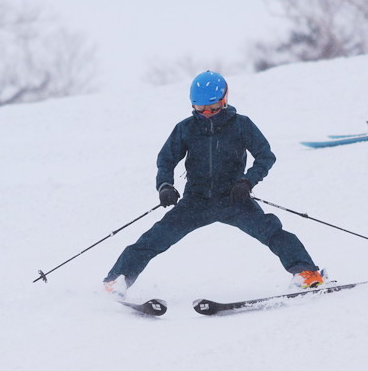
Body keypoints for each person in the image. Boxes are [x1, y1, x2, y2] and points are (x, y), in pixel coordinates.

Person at [103, 71, 324, 299]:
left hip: (234, 199)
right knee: (153, 239)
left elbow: (265, 156)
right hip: (195, 202)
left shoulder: (241, 125)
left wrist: (247, 182)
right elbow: (166, 160)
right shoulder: (185, 128)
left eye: (213, 108)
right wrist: (165, 186)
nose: (206, 114)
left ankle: (307, 273)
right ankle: (117, 281)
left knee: (272, 232)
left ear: (224, 100)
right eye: (200, 109)